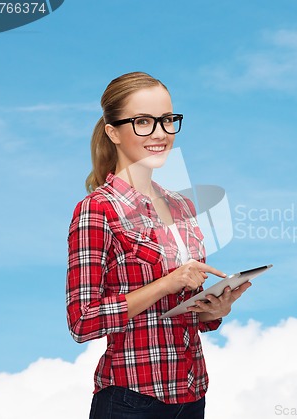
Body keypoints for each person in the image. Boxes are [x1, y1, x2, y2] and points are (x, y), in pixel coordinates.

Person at [66, 71, 251, 418]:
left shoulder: (181, 205)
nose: (160, 134)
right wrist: (169, 281)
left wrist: (214, 310)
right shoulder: (97, 209)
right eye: (143, 122)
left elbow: (182, 312)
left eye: (167, 121)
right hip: (130, 399)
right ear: (113, 132)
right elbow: (82, 321)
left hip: (192, 394)